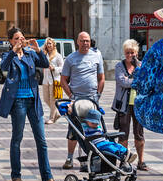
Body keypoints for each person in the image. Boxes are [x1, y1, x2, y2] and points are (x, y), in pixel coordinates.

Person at [0, 27, 57, 181]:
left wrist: (39, 51)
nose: (20, 41)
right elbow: (4, 66)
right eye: (16, 38)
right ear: (10, 41)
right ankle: (16, 175)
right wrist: (13, 51)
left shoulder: (30, 54)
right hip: (18, 101)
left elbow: (44, 64)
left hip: (33, 100)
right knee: (17, 138)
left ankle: (47, 176)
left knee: (41, 140)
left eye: (22, 38)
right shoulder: (8, 56)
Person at [60, 32, 106, 170]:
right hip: (77, 100)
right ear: (77, 42)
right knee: (74, 129)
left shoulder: (97, 55)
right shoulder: (70, 58)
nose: (85, 43)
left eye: (87, 41)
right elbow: (63, 80)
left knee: (94, 129)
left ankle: (95, 157)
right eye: (83, 41)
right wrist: (70, 95)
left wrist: (98, 94)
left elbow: (101, 77)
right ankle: (69, 158)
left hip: (92, 99)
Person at [111, 39, 147, 170]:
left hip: (138, 105)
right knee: (123, 134)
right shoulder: (119, 66)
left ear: (137, 53)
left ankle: (141, 161)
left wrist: (136, 75)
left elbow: (145, 82)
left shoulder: (141, 65)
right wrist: (137, 80)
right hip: (123, 105)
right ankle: (123, 160)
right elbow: (122, 82)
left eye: (132, 53)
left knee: (139, 133)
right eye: (127, 53)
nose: (130, 55)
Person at [41, 38, 64, 123]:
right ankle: (57, 113)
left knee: (52, 100)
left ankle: (51, 118)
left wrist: (54, 68)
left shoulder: (58, 55)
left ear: (54, 45)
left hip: (54, 80)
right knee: (46, 99)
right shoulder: (45, 55)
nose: (48, 45)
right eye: (47, 43)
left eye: (50, 43)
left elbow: (62, 68)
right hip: (45, 80)